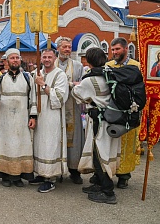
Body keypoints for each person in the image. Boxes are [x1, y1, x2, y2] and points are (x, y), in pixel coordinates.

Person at [72, 47, 121, 204]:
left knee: (99, 154)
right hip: (111, 118)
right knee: (102, 152)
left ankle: (108, 192)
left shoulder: (89, 80)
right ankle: (99, 184)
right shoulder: (110, 74)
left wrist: (74, 84)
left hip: (98, 121)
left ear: (89, 61)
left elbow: (77, 94)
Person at [0, 48, 37, 187]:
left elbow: (32, 98)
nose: (15, 60)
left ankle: (18, 176)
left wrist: (33, 116)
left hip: (21, 119)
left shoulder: (28, 78)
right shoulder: (0, 78)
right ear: (7, 61)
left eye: (17, 58)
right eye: (12, 58)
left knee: (20, 146)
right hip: (5, 119)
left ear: (20, 60)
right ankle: (5, 175)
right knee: (5, 146)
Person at [105, 37, 141, 189]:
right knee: (111, 142)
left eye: (117, 49)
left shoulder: (137, 66)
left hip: (129, 111)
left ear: (126, 49)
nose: (114, 52)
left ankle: (124, 175)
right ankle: (108, 172)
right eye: (113, 50)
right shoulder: (108, 65)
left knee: (127, 143)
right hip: (112, 111)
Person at [32, 49, 69, 193]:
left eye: (50, 57)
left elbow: (60, 97)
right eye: (44, 57)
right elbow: (33, 97)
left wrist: (43, 85)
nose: (47, 59)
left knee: (50, 145)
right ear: (40, 58)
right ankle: (41, 173)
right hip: (40, 115)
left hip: (53, 117)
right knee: (39, 144)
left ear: (55, 58)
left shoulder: (60, 75)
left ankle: (51, 178)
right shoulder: (37, 73)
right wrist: (33, 115)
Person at [54, 37, 85, 184]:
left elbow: (83, 86)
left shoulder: (78, 66)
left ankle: (74, 170)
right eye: (65, 47)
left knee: (74, 139)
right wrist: (70, 83)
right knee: (56, 137)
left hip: (72, 106)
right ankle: (56, 169)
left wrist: (74, 85)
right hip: (54, 107)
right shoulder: (50, 63)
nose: (67, 50)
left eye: (69, 47)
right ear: (58, 48)